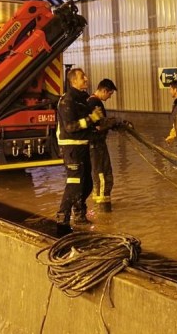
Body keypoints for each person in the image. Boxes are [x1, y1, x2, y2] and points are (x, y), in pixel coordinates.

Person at [55, 68, 102, 236]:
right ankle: (62, 219)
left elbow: (91, 123)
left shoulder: (82, 99)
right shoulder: (67, 101)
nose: (86, 79)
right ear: (73, 81)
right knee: (74, 184)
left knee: (87, 184)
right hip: (71, 147)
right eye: (83, 77)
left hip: (83, 145)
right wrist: (91, 119)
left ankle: (80, 215)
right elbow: (71, 126)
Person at [86, 78, 119, 213]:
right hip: (96, 145)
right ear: (104, 90)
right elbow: (98, 125)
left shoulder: (90, 101)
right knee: (103, 175)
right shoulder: (95, 103)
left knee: (100, 174)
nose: (109, 96)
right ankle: (103, 211)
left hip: (95, 144)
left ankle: (100, 206)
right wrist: (113, 123)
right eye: (109, 94)